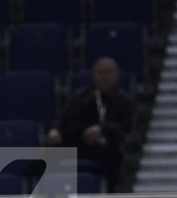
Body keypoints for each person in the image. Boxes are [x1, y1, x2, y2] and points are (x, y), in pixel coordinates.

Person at [46, 57, 136, 190]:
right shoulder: (81, 97)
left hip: (106, 145)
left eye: (109, 73)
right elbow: (62, 119)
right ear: (94, 75)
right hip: (78, 142)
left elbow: (127, 127)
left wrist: (102, 130)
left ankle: (111, 196)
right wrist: (55, 130)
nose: (105, 77)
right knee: (49, 152)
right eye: (101, 73)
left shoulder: (124, 101)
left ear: (117, 75)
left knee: (112, 156)